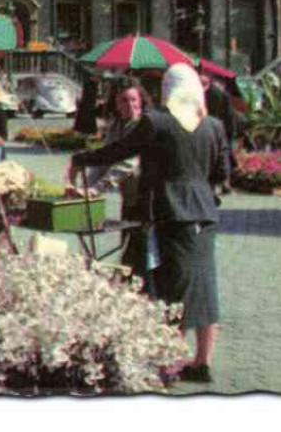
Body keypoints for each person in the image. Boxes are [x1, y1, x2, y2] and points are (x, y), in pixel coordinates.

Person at [68, 63, 229, 384]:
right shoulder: (214, 125)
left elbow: (119, 150)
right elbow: (222, 174)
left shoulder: (156, 122)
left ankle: (169, 362)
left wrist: (80, 160)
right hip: (205, 215)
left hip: (171, 212)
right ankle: (202, 361)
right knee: (205, 288)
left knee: (173, 288)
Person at [79, 76, 150, 290]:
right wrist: (86, 188)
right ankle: (128, 285)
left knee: (139, 245)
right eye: (124, 101)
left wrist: (98, 188)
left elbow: (127, 163)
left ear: (141, 101)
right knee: (128, 240)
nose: (130, 105)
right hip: (128, 195)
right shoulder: (116, 126)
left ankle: (140, 289)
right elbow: (105, 159)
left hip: (146, 193)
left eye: (133, 100)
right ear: (117, 105)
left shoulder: (143, 125)